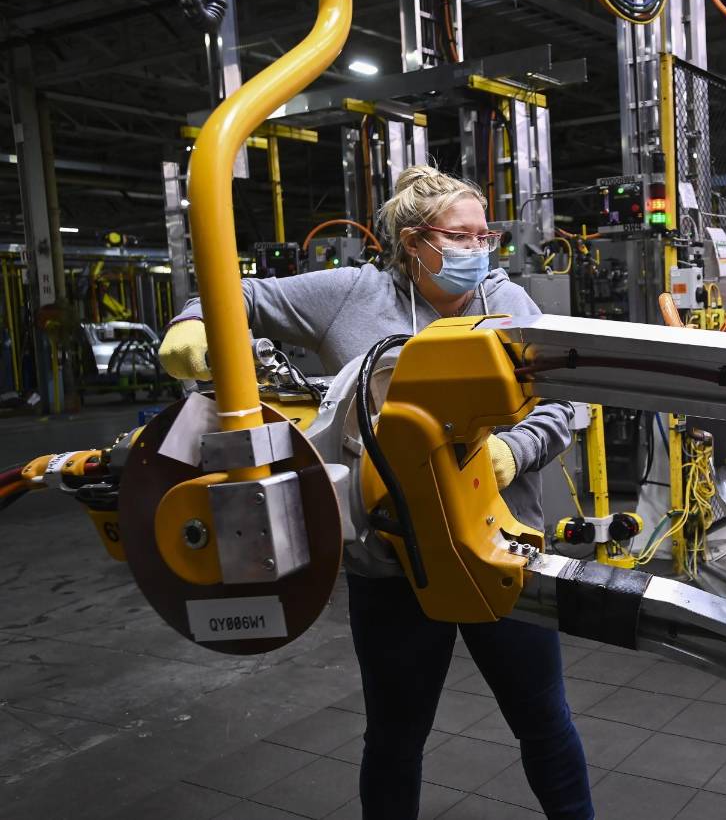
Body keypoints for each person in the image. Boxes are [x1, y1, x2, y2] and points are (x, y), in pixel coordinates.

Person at [159, 165, 594, 820]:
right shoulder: (350, 296)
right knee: (394, 737)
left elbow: (561, 404)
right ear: (416, 241)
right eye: (461, 236)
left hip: (498, 550)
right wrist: (194, 322)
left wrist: (513, 450)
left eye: (485, 235)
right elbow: (235, 295)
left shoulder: (509, 306)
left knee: (544, 721)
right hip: (390, 566)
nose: (478, 250)